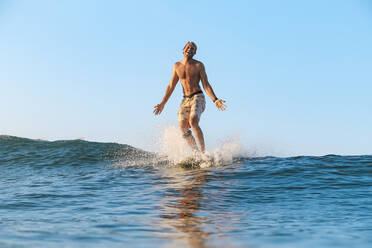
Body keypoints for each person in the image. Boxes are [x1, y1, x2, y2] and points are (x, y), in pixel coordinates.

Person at [153, 41, 226, 152]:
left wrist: (215, 100)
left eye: (192, 48)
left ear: (195, 52)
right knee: (182, 126)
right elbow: (171, 85)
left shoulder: (199, 65)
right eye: (188, 47)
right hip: (185, 99)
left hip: (198, 97)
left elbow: (206, 85)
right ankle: (195, 152)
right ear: (183, 49)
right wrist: (163, 103)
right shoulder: (177, 66)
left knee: (193, 121)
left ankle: (203, 152)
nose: (189, 49)